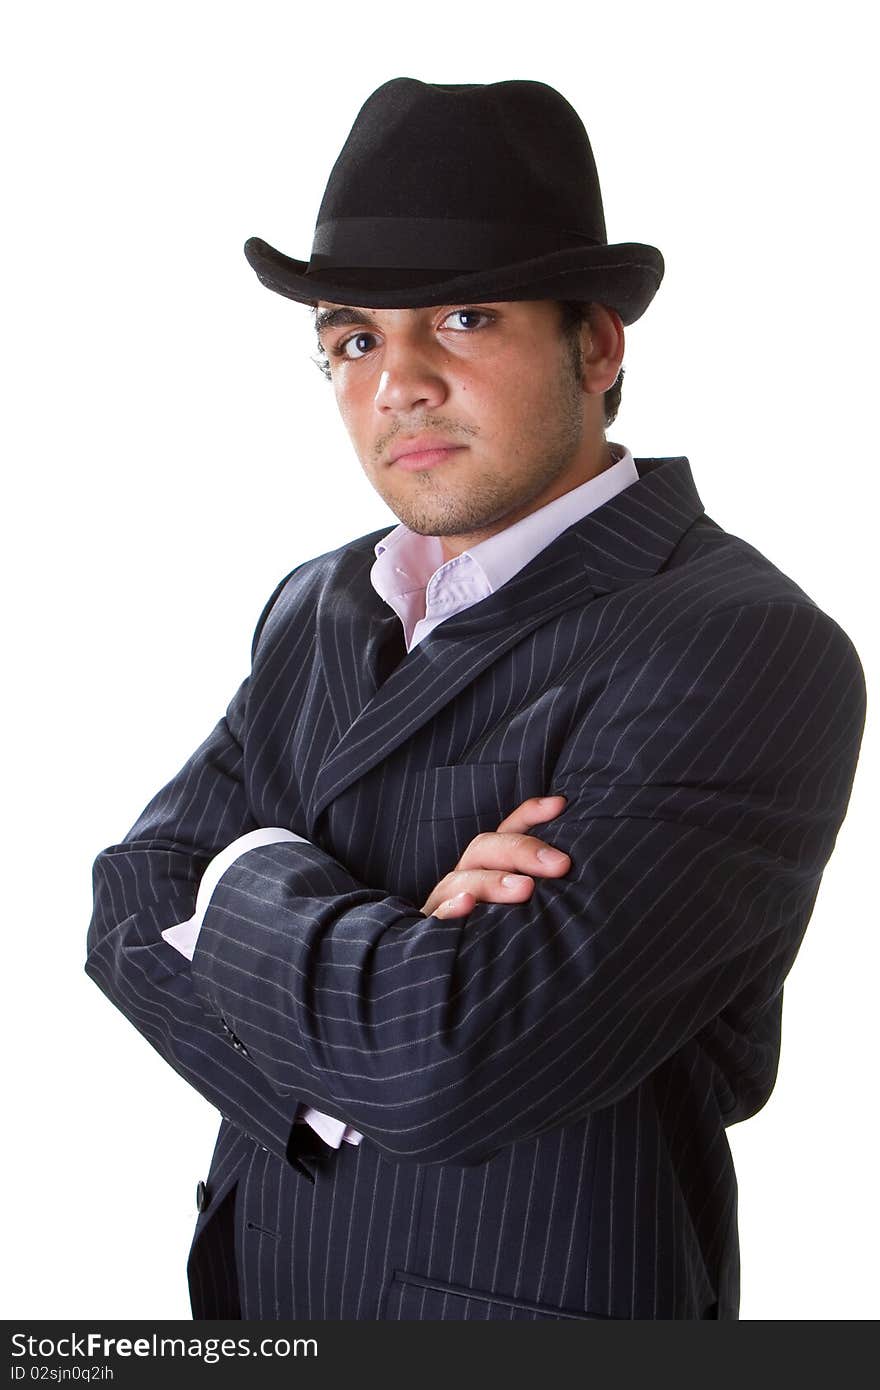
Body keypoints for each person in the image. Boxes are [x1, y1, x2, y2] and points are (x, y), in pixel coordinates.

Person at [85, 77, 866, 1322]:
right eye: (353, 337)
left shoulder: (741, 644)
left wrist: (239, 878)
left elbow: (451, 1061)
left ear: (596, 343)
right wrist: (388, 964)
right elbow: (125, 898)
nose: (395, 381)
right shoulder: (320, 597)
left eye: (461, 317)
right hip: (259, 1303)